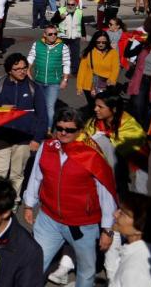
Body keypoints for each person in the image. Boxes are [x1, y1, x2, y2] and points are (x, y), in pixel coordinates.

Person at [23, 107, 117, 287]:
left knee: (86, 271)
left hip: (83, 225)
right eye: (59, 128)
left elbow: (106, 193)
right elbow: (36, 176)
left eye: (70, 130)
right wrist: (29, 204)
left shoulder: (91, 154)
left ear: (80, 130)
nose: (63, 133)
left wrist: (107, 229)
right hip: (48, 219)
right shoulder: (47, 147)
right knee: (34, 264)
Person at [0, 54, 47, 197]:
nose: (22, 71)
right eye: (17, 69)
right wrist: (1, 108)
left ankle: (13, 203)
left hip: (23, 139)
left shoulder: (34, 88)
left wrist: (37, 139)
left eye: (24, 68)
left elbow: (43, 116)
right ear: (9, 70)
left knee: (17, 174)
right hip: (1, 136)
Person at [106, 192, 151, 287]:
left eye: (123, 213)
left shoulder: (135, 271)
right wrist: (111, 232)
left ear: (139, 228)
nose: (115, 214)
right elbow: (112, 271)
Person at [82, 90, 148, 194]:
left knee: (139, 191)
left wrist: (106, 142)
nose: (95, 109)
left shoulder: (130, 126)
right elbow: (83, 139)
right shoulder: (94, 122)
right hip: (107, 166)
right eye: (95, 106)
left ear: (114, 109)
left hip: (134, 163)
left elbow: (138, 150)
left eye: (100, 107)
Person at [27, 24, 71, 132]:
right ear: (44, 35)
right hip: (38, 80)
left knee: (50, 107)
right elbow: (30, 58)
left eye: (55, 34)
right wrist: (27, 71)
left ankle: (48, 129)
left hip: (54, 82)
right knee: (37, 105)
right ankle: (37, 126)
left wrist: (65, 80)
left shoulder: (63, 47)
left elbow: (66, 63)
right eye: (50, 34)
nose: (53, 36)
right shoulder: (37, 44)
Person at [125, 36, 151, 128]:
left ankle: (147, 127)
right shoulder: (144, 47)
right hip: (141, 79)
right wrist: (130, 42)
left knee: (150, 106)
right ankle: (139, 126)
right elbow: (127, 54)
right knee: (137, 104)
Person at [76, 31, 120, 111]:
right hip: (89, 86)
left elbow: (115, 68)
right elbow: (82, 70)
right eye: (98, 42)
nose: (101, 44)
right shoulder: (88, 52)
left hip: (105, 85)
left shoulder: (113, 53)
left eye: (103, 42)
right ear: (94, 41)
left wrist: (112, 81)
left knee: (104, 108)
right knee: (93, 108)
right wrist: (79, 86)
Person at [55, 0, 85, 75]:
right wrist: (59, 17)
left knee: (75, 54)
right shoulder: (61, 10)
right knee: (60, 54)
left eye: (72, 4)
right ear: (66, 4)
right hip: (63, 36)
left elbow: (82, 24)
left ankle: (75, 71)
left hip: (75, 37)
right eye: (68, 4)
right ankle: (59, 70)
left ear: (76, 5)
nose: (70, 6)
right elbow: (53, 21)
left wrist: (84, 35)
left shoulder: (79, 12)